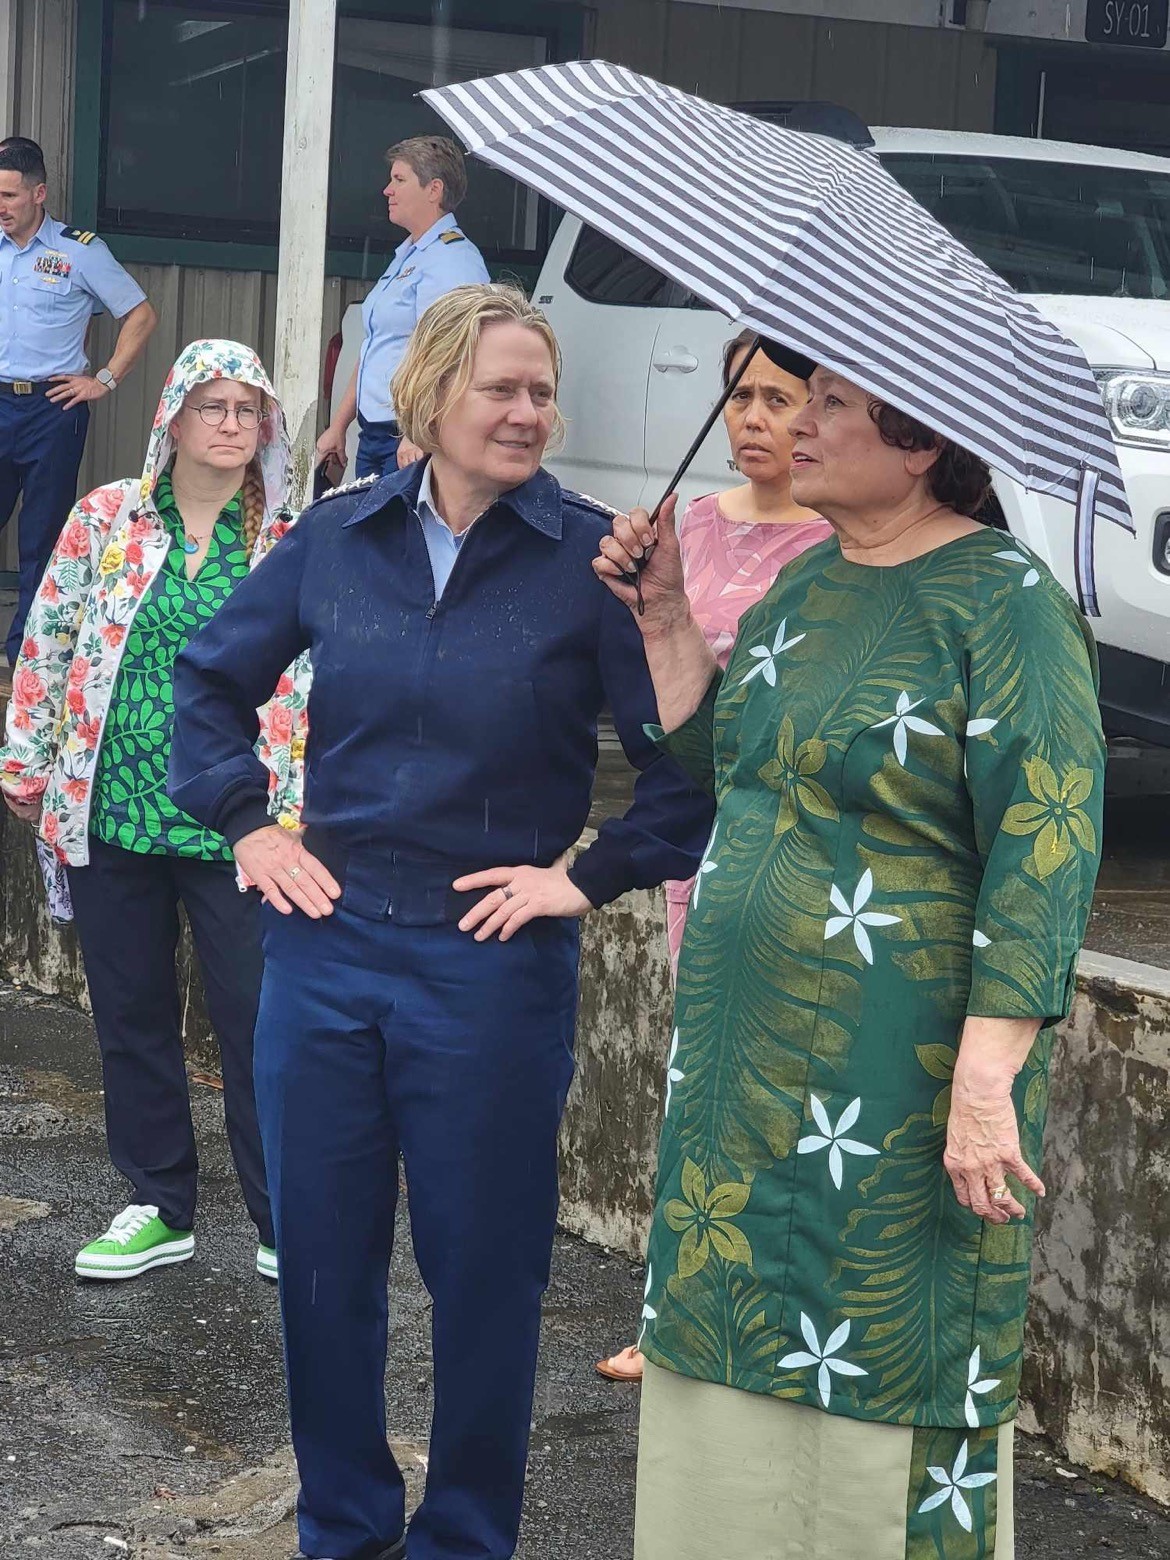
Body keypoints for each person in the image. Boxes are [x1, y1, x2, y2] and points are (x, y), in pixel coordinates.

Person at [167, 283, 712, 1560]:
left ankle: (465, 1538)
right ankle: (343, 1529)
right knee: (319, 1267)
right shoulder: (337, 535)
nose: (528, 413)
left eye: (542, 393)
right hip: (327, 947)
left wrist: (585, 879)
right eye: (500, 389)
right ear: (428, 396)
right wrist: (249, 826)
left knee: (485, 1275)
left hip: (490, 963)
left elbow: (686, 770)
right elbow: (209, 682)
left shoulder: (593, 560)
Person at [594, 358, 1105, 1560]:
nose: (796, 425)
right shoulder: (805, 582)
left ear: (919, 439)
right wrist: (663, 615)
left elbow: (1048, 842)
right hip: (741, 1065)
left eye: (830, 403)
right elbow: (727, 764)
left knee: (885, 1331)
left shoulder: (1006, 601)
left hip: (899, 1072)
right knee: (728, 1324)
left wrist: (986, 1080)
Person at [0, 339, 298, 1285]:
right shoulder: (107, 518)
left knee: (261, 1022)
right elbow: (50, 637)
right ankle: (158, 1203)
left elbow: (322, 678)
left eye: (248, 409)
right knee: (130, 1016)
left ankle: (285, 1218)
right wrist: (26, 761)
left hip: (244, 827)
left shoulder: (291, 539)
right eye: (214, 406)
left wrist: (311, 805)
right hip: (115, 807)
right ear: (173, 415)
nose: (232, 425)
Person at [596, 332, 833, 1386]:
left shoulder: (837, 544)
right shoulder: (687, 525)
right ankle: (677, 1310)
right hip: (701, 834)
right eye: (741, 396)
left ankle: (773, 1316)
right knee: (701, 1077)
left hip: (795, 838)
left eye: (781, 399)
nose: (755, 419)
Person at [0, 136, 158, 664]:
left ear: (39, 193)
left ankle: (27, 660)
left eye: (10, 196)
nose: (1, 207)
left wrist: (105, 380)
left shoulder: (79, 251)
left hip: (52, 409)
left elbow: (140, 314)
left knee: (42, 539)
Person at [316, 135, 488, 482]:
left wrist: (420, 429)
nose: (387, 190)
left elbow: (452, 353)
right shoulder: (410, 254)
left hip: (411, 437)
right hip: (377, 433)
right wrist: (338, 425)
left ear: (434, 189)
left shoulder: (452, 260)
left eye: (399, 179)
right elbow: (377, 346)